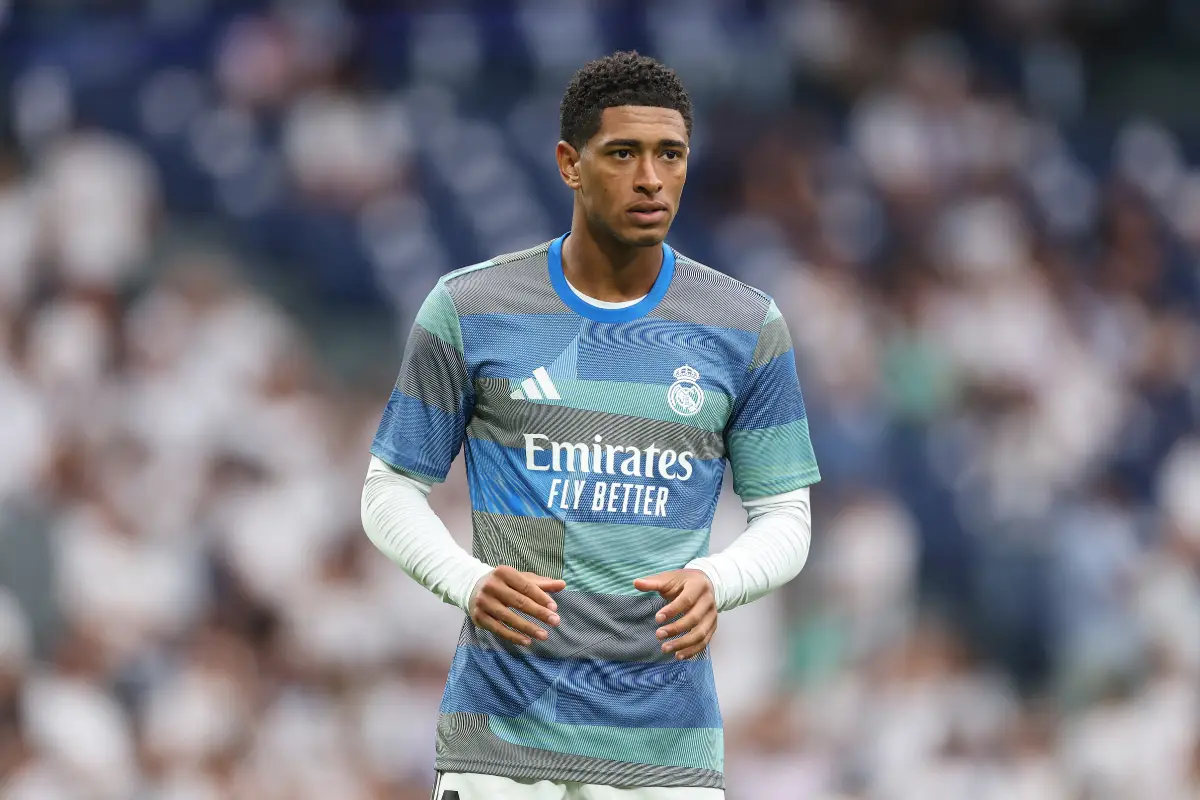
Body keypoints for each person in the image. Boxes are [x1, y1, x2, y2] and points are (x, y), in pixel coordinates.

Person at [362, 51, 819, 800]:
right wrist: (468, 582)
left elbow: (786, 517)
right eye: (623, 153)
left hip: (663, 755)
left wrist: (717, 578)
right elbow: (388, 490)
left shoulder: (744, 324)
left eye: (670, 155)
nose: (651, 178)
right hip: (500, 748)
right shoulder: (471, 307)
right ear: (570, 164)